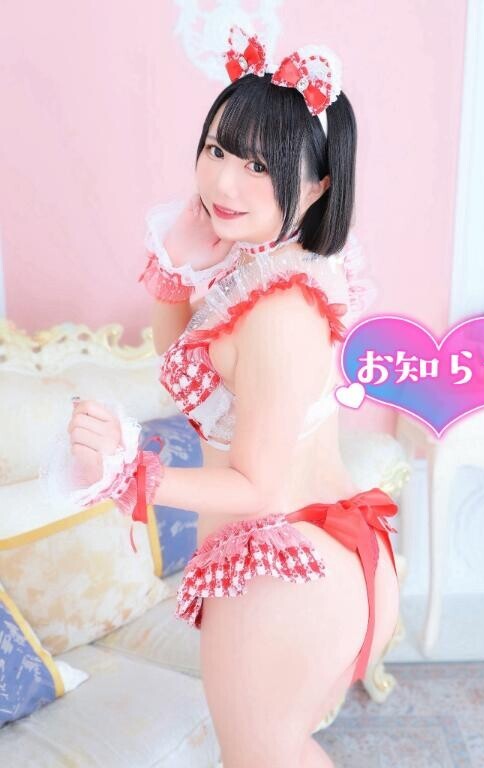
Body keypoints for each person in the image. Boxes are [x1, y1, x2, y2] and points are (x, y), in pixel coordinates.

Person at [65, 25, 400, 768]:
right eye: (218, 150)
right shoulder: (268, 266)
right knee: (276, 753)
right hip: (305, 557)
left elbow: (256, 486)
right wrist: (179, 268)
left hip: (283, 571)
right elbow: (182, 362)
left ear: (318, 185)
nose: (223, 184)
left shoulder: (280, 312)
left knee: (261, 759)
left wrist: (131, 475)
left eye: (259, 165)